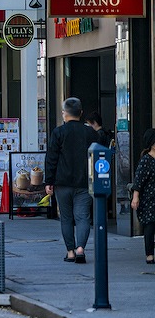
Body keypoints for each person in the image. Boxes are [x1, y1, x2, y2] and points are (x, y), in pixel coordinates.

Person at [45, 97, 100, 264]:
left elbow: (52, 158)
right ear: (81, 113)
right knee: (83, 217)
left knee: (66, 218)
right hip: (84, 182)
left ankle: (70, 251)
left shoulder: (59, 132)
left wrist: (49, 181)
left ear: (64, 114)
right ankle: (81, 248)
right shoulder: (91, 133)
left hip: (62, 182)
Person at [130, 129, 155, 264]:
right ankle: (149, 254)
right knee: (149, 225)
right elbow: (138, 180)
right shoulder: (146, 160)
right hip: (149, 198)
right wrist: (136, 197)